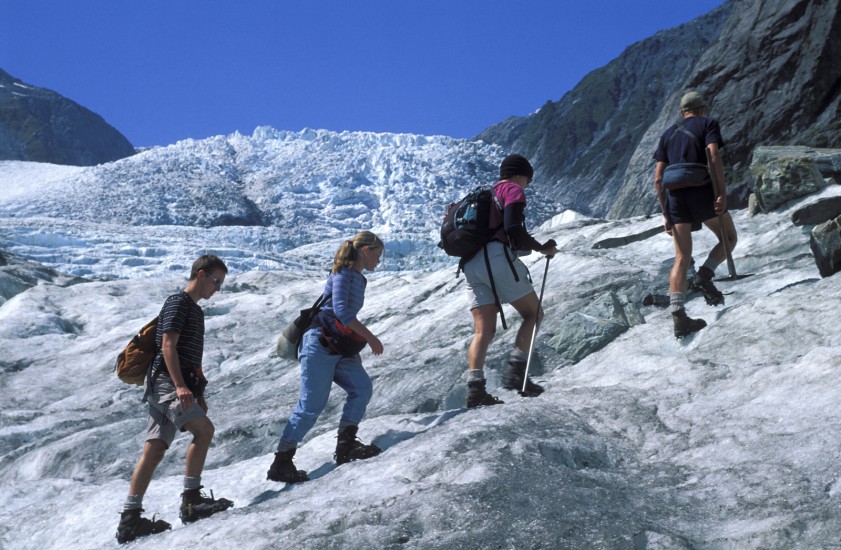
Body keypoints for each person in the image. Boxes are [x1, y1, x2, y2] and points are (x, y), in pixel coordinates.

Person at [116, 255, 233, 544]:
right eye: (216, 281)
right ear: (202, 274)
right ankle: (192, 502)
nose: (217, 289)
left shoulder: (195, 311)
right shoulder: (178, 303)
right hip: (167, 383)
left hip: (172, 384)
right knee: (204, 431)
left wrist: (198, 392)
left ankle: (129, 519)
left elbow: (191, 357)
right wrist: (180, 387)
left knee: (155, 449)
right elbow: (168, 346)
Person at [267, 231, 384, 483]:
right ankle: (282, 462)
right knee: (311, 406)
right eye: (377, 254)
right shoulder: (342, 274)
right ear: (365, 250)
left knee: (361, 388)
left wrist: (354, 348)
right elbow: (341, 311)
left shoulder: (357, 277)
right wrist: (370, 338)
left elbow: (342, 316)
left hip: (337, 345)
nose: (378, 260)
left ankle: (346, 446)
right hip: (319, 343)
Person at [462, 154, 557, 408]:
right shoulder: (512, 189)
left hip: (471, 263)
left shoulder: (486, 194)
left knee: (483, 331)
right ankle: (516, 373)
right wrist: (541, 247)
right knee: (533, 314)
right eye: (528, 178)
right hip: (496, 256)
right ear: (519, 174)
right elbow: (514, 228)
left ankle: (475, 389)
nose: (527, 184)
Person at [653, 91, 737, 338]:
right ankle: (705, 275)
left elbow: (658, 179)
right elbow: (713, 156)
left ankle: (679, 318)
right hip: (701, 192)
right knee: (728, 238)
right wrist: (721, 192)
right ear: (702, 108)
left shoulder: (667, 134)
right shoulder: (707, 123)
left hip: (675, 198)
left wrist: (666, 214)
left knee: (681, 257)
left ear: (682, 112)